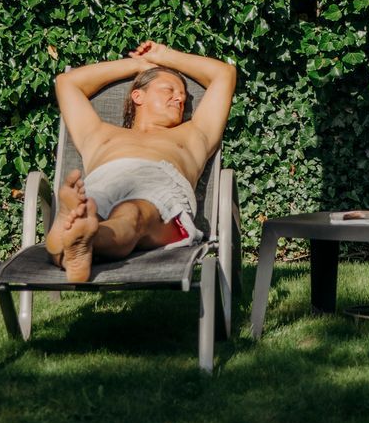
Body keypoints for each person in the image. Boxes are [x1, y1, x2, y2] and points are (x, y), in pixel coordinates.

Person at [44, 41, 238, 283]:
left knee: (131, 213)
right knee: (91, 211)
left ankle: (77, 234)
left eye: (183, 96)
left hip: (158, 182)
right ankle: (79, 234)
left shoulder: (195, 133)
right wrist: (138, 64)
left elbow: (224, 74)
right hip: (103, 182)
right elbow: (67, 82)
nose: (180, 98)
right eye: (170, 89)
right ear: (138, 95)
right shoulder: (99, 132)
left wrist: (166, 56)